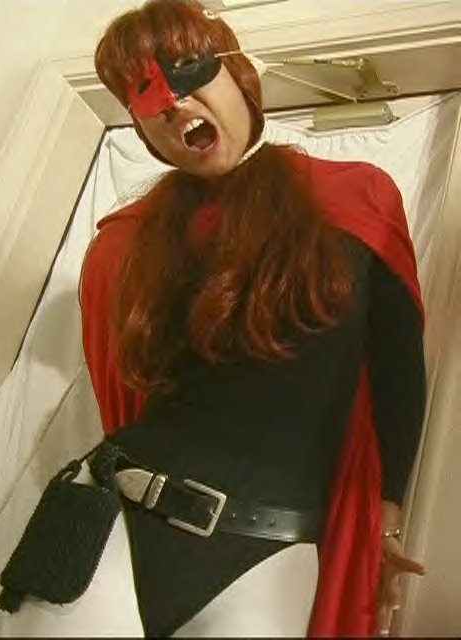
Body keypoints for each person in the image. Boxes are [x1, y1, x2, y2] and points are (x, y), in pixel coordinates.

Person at [80, 0, 427, 636]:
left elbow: (397, 370)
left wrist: (384, 520)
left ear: (236, 72)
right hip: (107, 515)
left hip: (268, 545)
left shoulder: (357, 197)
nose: (172, 102)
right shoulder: (122, 246)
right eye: (144, 94)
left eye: (186, 70)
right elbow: (121, 395)